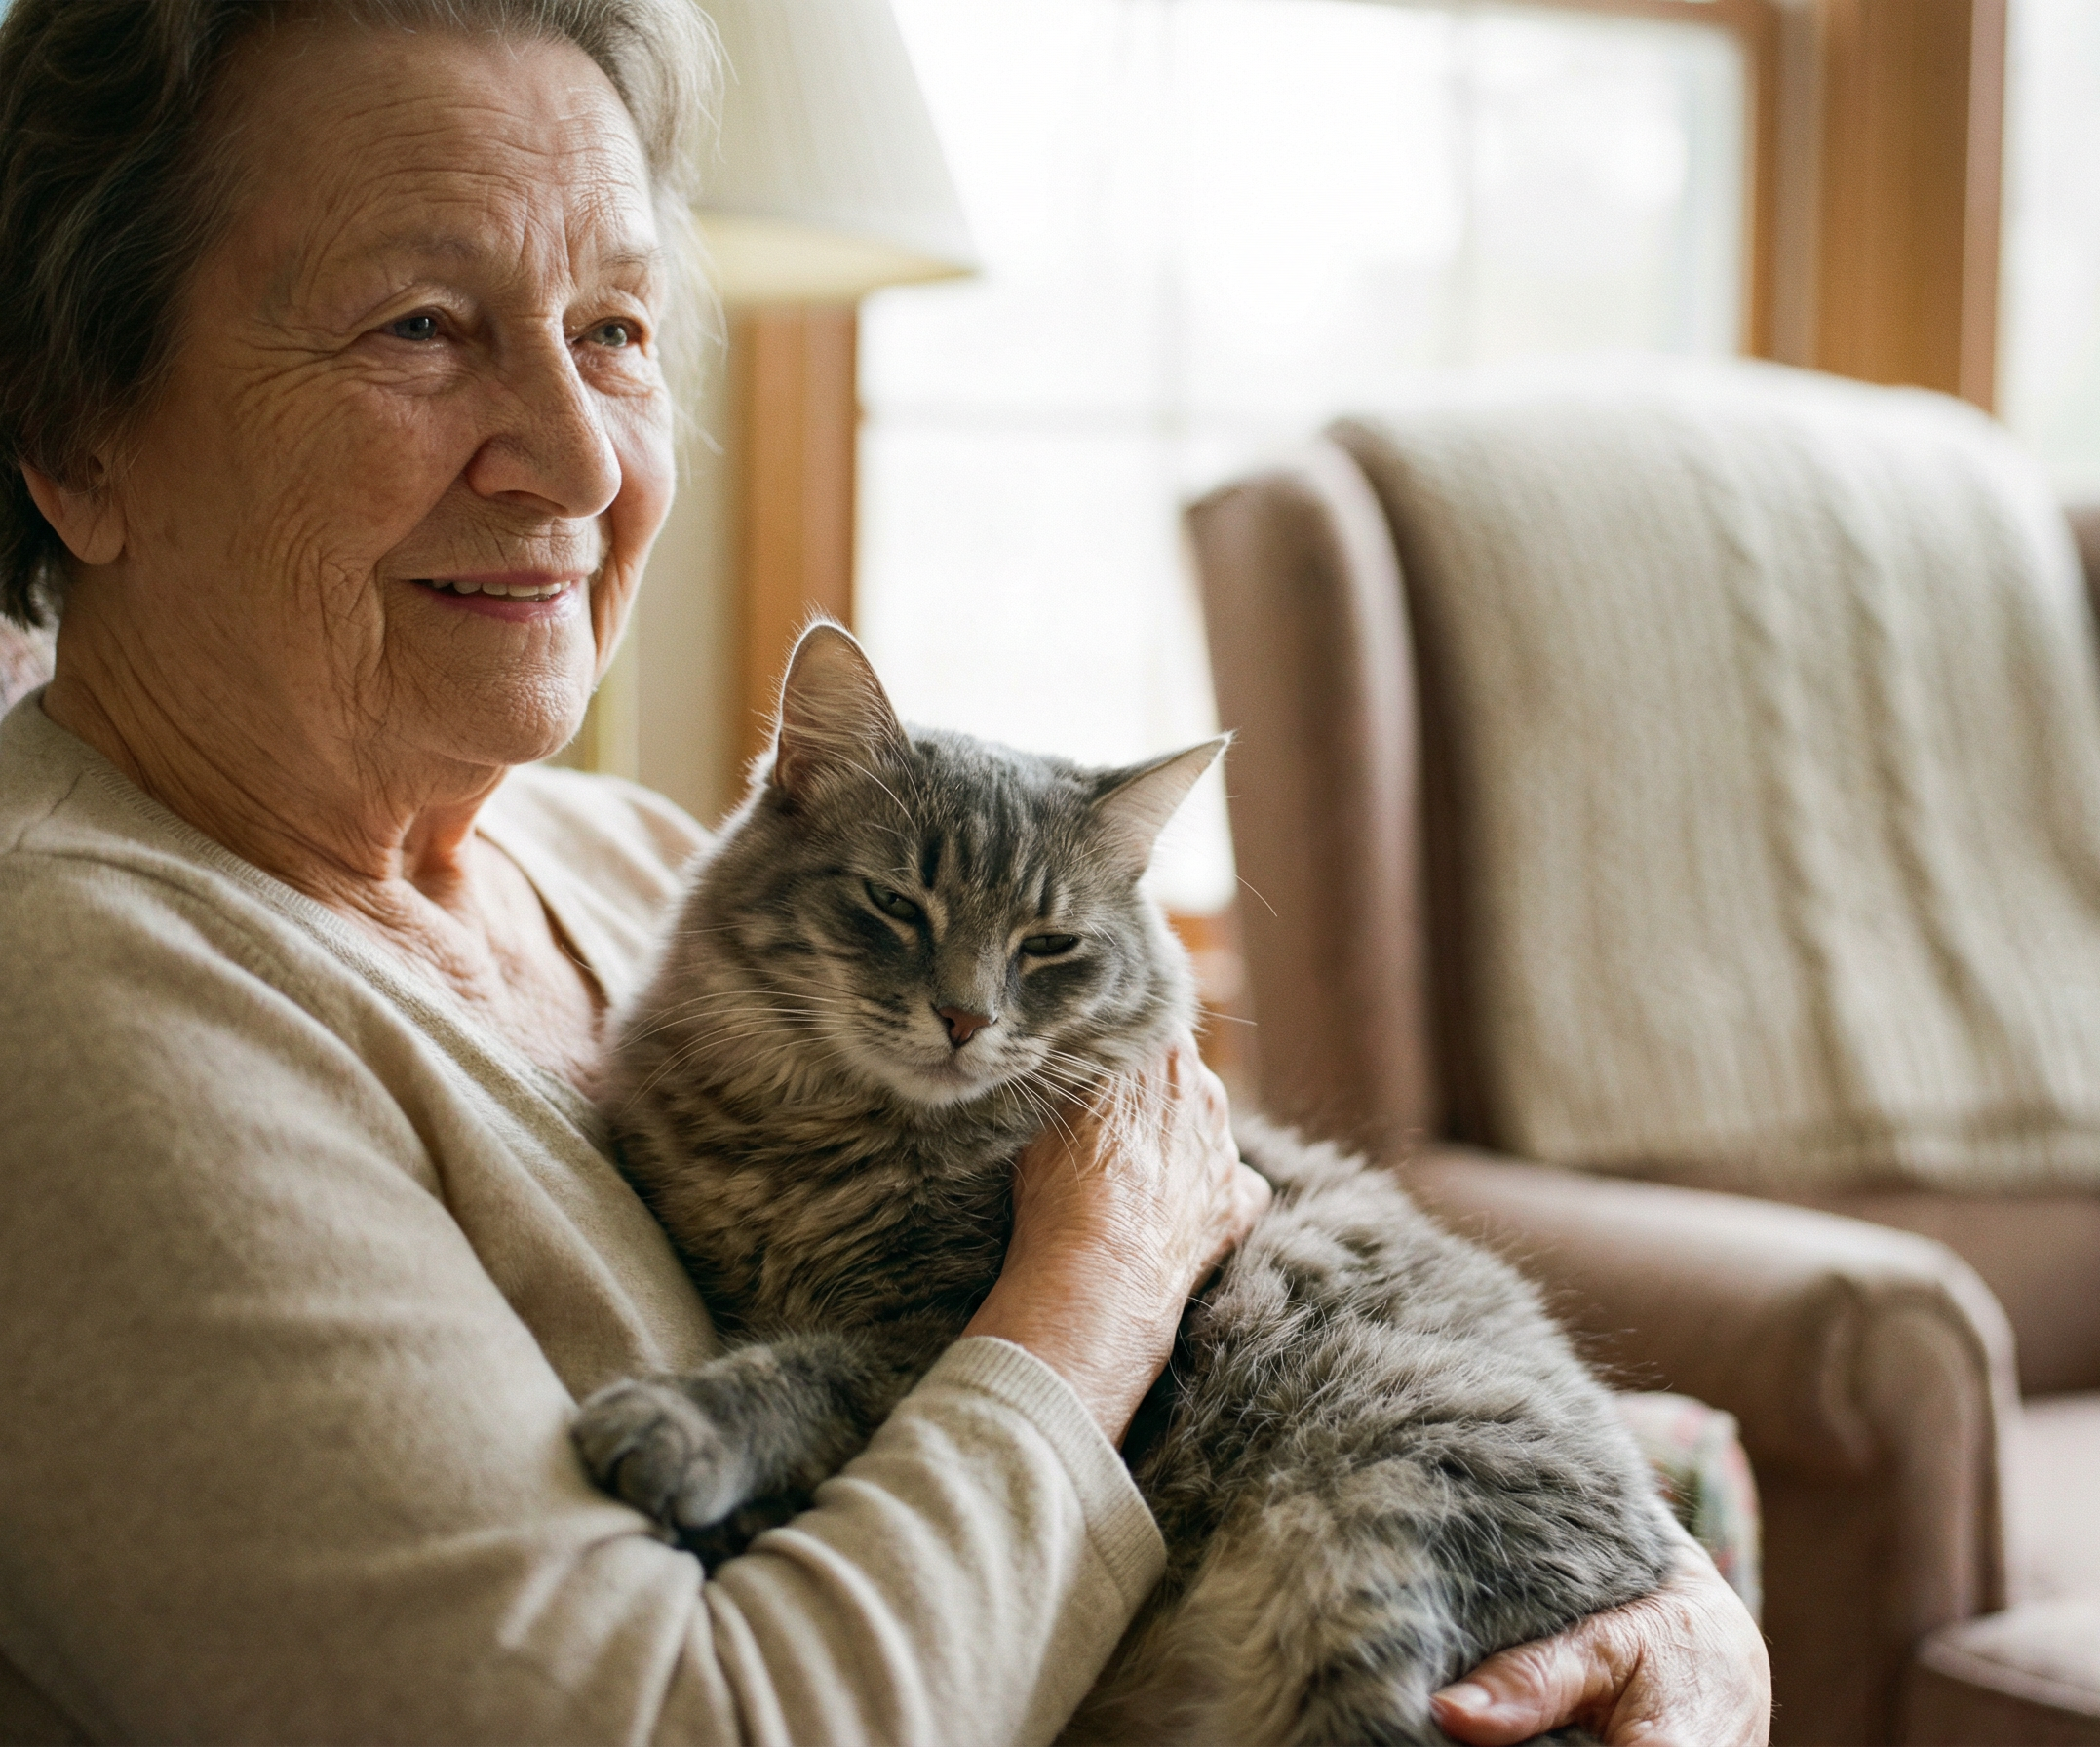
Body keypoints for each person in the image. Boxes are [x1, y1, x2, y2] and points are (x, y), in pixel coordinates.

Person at [0, 1, 1769, 1741]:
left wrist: (1677, 1618)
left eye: (615, 328)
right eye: (417, 324)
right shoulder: (74, 1017)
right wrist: (1101, 1283)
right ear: (77, 436)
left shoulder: (621, 858)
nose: (578, 452)